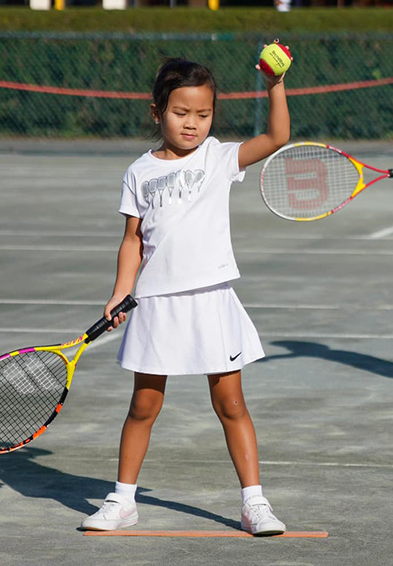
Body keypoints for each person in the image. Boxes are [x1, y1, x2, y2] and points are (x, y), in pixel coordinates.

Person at [80, 51, 291, 535]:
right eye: (180, 113)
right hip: (155, 304)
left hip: (212, 299)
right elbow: (133, 240)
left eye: (203, 114)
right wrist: (119, 293)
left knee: (231, 404)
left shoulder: (219, 158)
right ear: (157, 112)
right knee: (143, 405)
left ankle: (254, 503)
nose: (192, 124)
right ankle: (122, 500)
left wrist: (275, 83)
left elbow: (277, 137)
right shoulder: (139, 172)